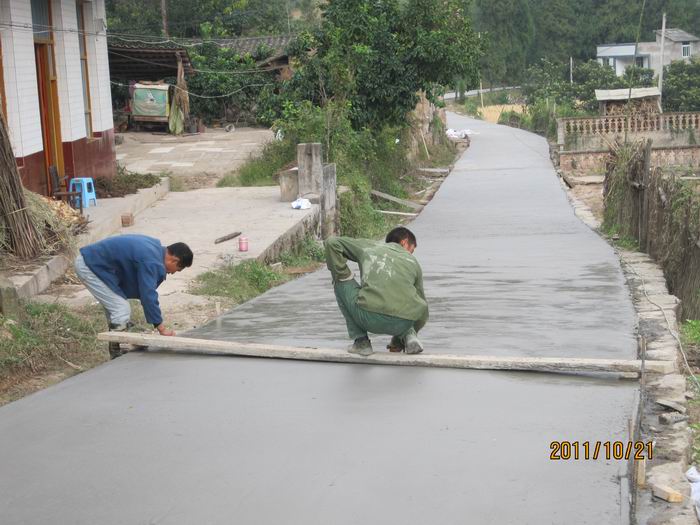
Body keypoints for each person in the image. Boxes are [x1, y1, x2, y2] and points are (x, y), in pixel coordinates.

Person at [74, 234, 193, 358]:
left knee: (117, 307)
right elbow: (148, 295)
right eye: (177, 269)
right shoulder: (152, 261)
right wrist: (161, 328)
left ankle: (119, 337)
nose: (172, 273)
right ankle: (117, 354)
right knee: (121, 308)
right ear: (174, 260)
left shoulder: (154, 250)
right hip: (90, 266)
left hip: (94, 263)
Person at [324, 226, 428, 356]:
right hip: (402, 323)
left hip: (368, 318)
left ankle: (362, 342)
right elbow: (423, 309)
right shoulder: (413, 262)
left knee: (339, 281)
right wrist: (398, 341)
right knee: (410, 301)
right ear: (404, 242)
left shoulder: (371, 247)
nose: (410, 254)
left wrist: (343, 273)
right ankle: (409, 337)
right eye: (411, 250)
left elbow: (332, 243)